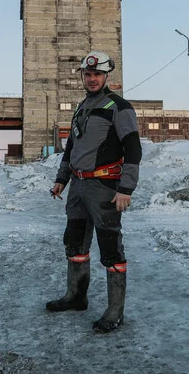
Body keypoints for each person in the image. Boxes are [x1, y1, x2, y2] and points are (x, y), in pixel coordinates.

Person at [47, 51, 142, 333]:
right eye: (87, 75)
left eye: (97, 74)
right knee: (75, 243)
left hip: (104, 188)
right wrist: (61, 179)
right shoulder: (82, 106)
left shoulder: (119, 106)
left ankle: (115, 312)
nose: (91, 79)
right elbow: (72, 148)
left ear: (106, 77)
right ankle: (76, 297)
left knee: (111, 248)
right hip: (77, 187)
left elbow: (133, 149)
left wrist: (126, 188)